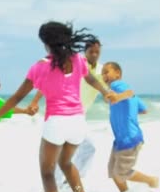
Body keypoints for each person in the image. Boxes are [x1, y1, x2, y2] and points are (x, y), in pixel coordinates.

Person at [0, 21, 132, 192]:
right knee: (66, 163)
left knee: (47, 171)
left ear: (46, 43)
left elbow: (16, 97)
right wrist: (106, 91)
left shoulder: (40, 67)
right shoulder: (77, 59)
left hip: (56, 123)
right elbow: (91, 79)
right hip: (77, 122)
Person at [28, 38, 104, 183]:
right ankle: (55, 184)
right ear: (85, 51)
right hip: (61, 115)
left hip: (78, 118)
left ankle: (71, 181)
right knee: (61, 151)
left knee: (89, 149)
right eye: (91, 51)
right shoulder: (75, 63)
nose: (94, 54)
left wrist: (112, 95)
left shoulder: (101, 70)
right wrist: (35, 101)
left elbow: (109, 82)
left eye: (97, 52)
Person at [101, 61, 159, 192]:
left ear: (117, 73)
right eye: (102, 73)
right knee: (113, 172)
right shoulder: (118, 91)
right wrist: (127, 109)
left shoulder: (117, 85)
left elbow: (130, 92)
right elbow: (144, 110)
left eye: (106, 72)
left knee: (121, 173)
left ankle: (151, 181)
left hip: (129, 138)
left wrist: (118, 96)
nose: (104, 75)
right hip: (121, 140)